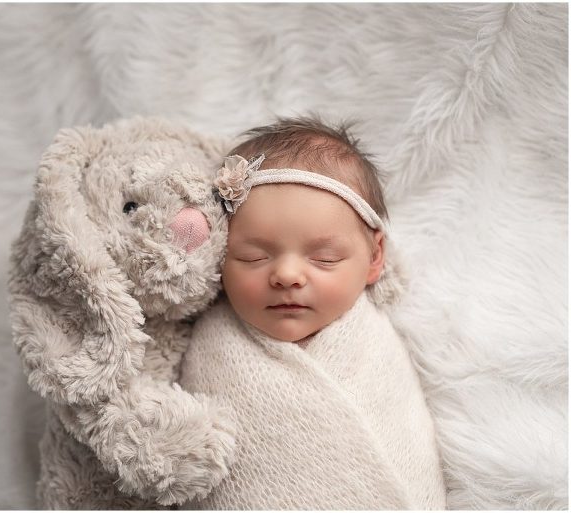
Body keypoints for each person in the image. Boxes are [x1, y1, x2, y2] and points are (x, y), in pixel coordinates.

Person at [179, 116, 447, 510]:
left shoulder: (373, 342)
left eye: (324, 258)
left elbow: (408, 439)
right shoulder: (207, 342)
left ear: (374, 257)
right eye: (253, 256)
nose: (287, 275)